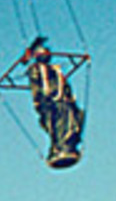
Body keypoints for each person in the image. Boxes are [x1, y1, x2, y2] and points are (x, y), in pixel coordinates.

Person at [24, 37, 84, 165]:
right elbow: (38, 89)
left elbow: (65, 85)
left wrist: (69, 96)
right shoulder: (36, 70)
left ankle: (67, 146)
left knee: (73, 119)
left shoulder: (55, 69)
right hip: (50, 101)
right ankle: (59, 147)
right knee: (57, 123)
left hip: (62, 99)